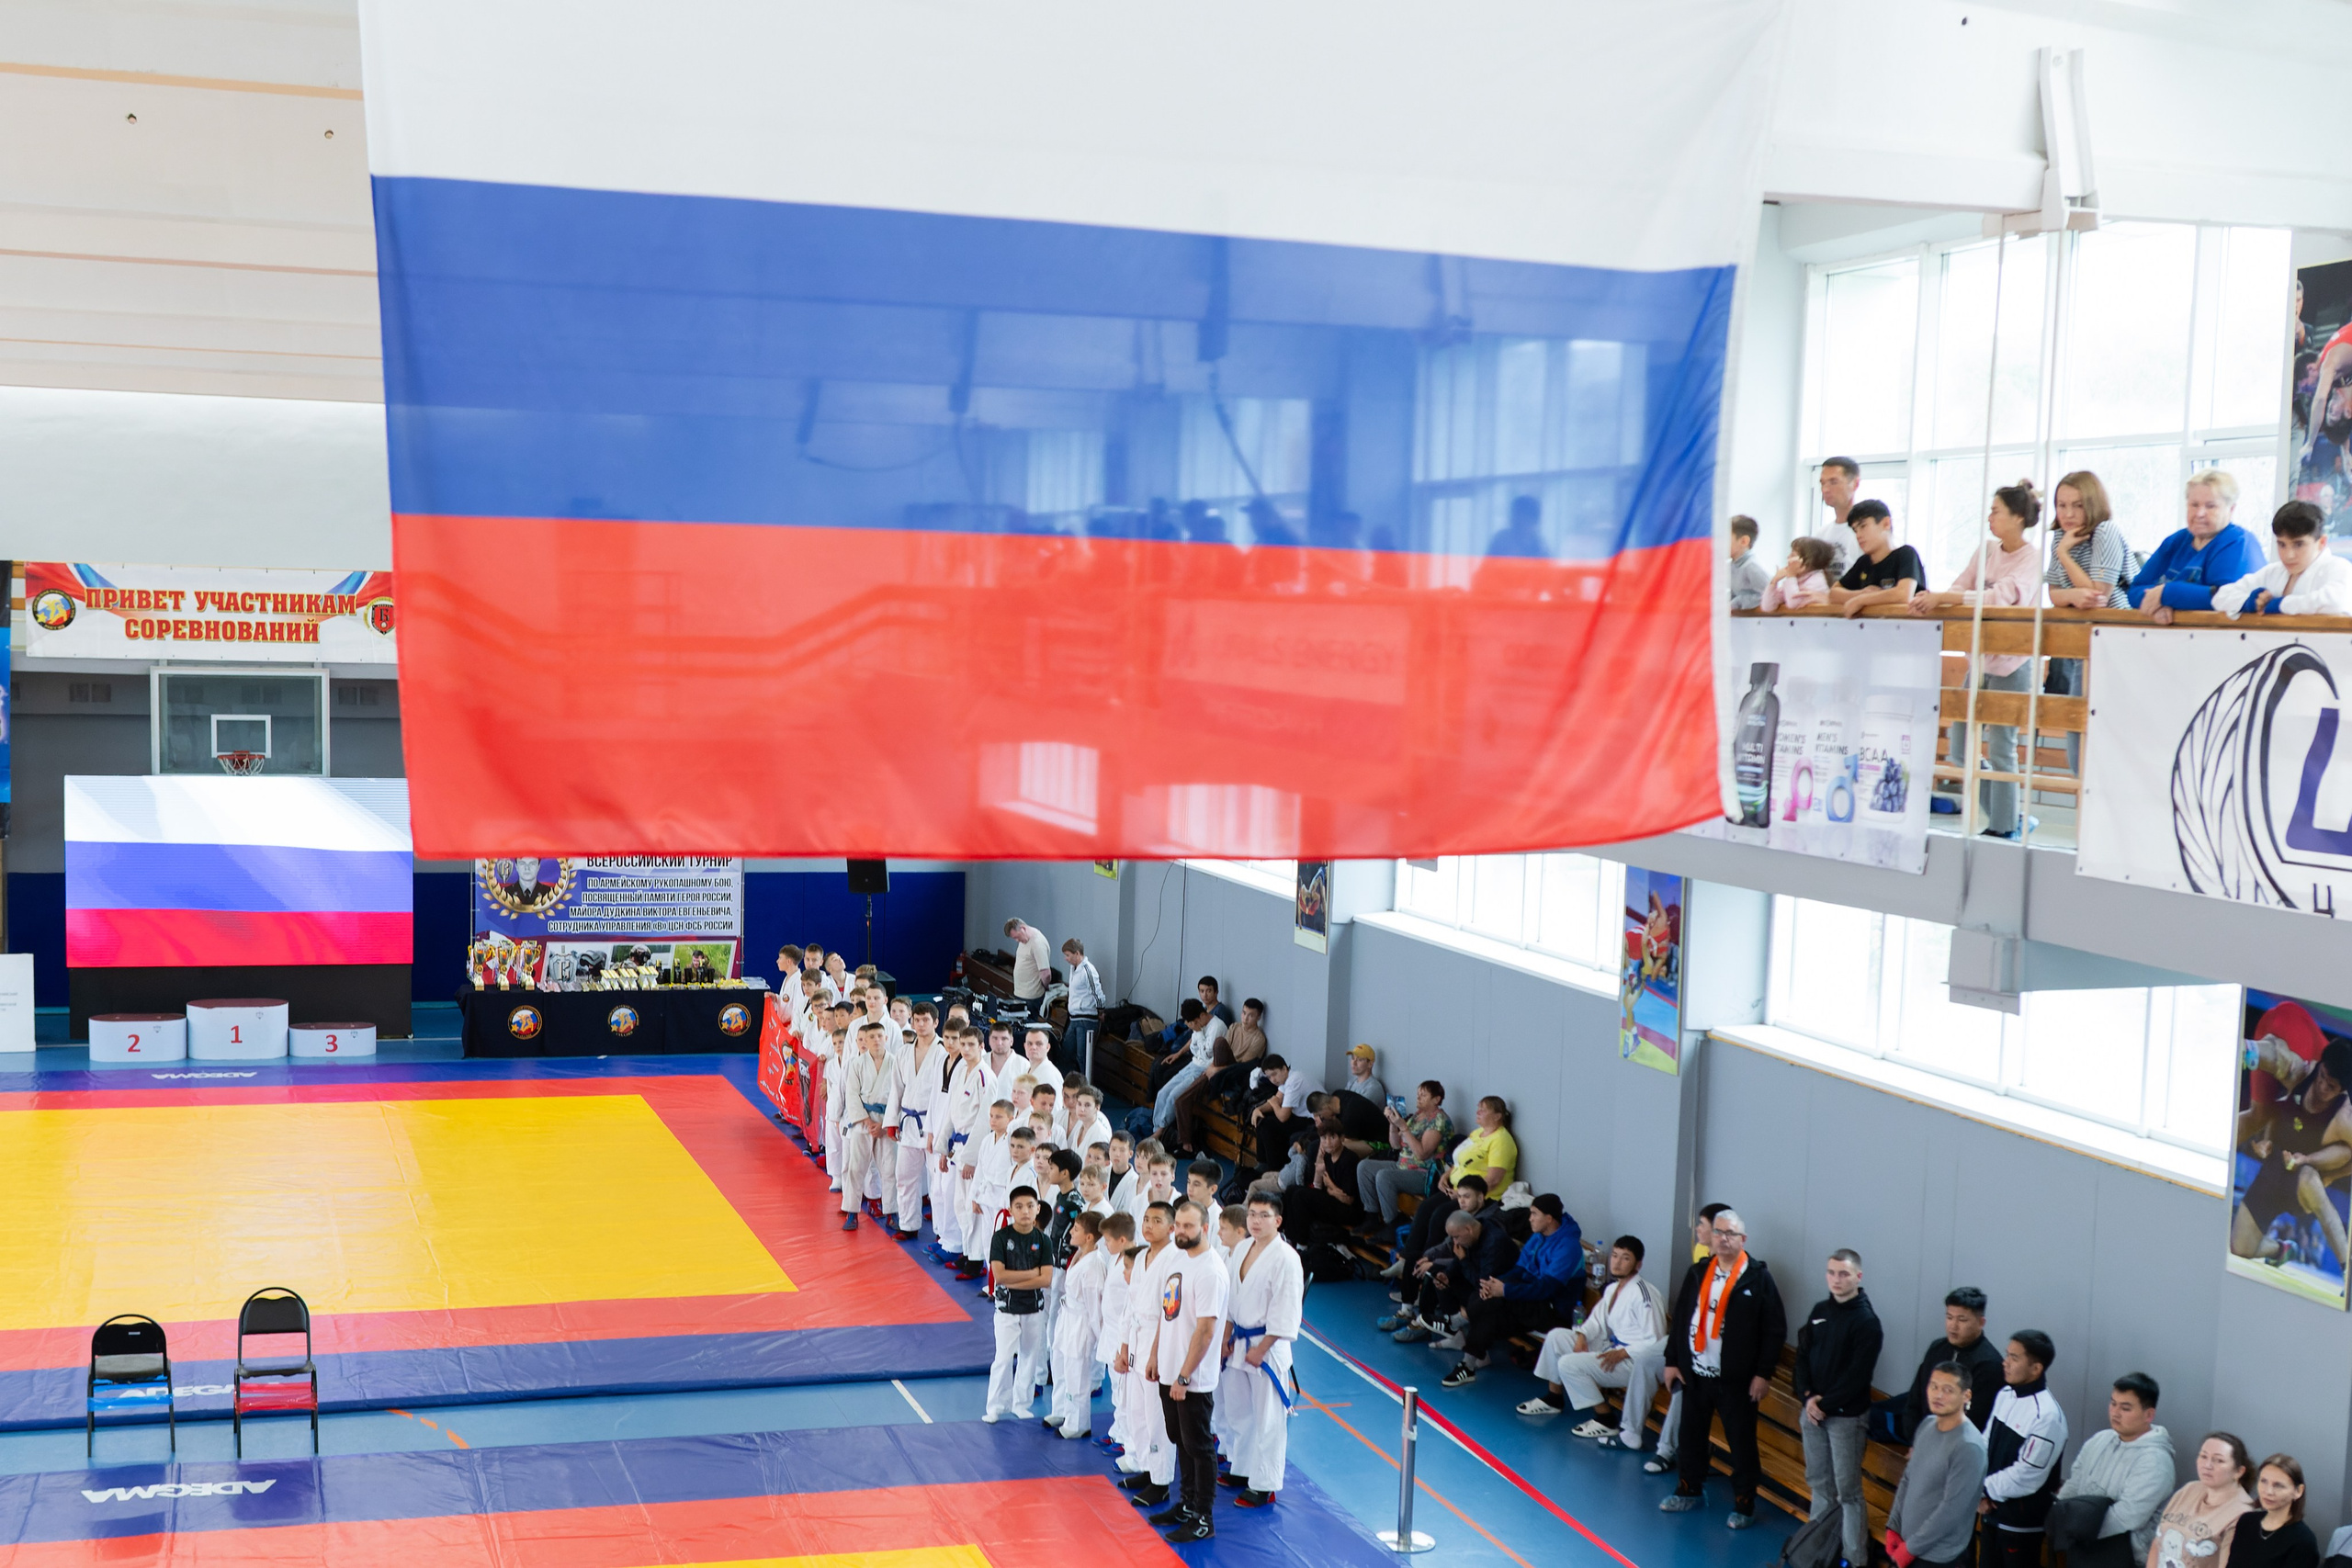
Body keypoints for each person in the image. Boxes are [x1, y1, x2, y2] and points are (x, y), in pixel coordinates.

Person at [1910, 479, 2048, 839]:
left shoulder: (2033, 557)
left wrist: (1951, 597)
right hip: (1980, 662)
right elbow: (1960, 586)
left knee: (2002, 749)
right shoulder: (1986, 550)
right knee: (1961, 749)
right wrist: (1942, 598)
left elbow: (2003, 596)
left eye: (1996, 511)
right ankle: (2012, 813)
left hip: (2014, 664)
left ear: (2018, 518)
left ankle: (2004, 826)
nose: (1989, 517)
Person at [1658, 1208, 1786, 1530]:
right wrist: (1672, 1361)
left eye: (1731, 1234)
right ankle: (1689, 1489)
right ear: (1711, 1237)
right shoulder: (1698, 1272)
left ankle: (1744, 1503)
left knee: (1741, 1444)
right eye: (1718, 1232)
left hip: (1736, 1381)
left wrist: (1763, 1374)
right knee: (1690, 1436)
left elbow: (1774, 1330)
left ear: (1743, 1239)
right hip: (1695, 1374)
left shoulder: (1757, 1278)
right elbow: (1682, 1318)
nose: (1724, 1239)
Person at [1519, 1235, 1668, 1450]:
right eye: (1614, 1256)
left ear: (1638, 1264)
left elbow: (1656, 1342)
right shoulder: (1613, 1289)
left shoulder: (1645, 1294)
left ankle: (1605, 1419)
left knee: (1568, 1364)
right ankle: (1554, 1398)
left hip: (1635, 1362)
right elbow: (1596, 1321)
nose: (1617, 1262)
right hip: (1613, 1349)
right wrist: (1582, 1335)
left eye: (1625, 1258)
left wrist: (1623, 1353)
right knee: (1556, 1337)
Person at [2231, 1034, 2352, 1277]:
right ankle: (2282, 1250)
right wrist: (2267, 1141)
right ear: (2320, 1066)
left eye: (2331, 1087)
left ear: (2342, 1090)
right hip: (2274, 1170)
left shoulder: (2344, 1118)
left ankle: (2347, 1270)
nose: (2322, 1087)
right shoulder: (2303, 1073)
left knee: (2310, 1180)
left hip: (2303, 1183)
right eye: (2322, 1076)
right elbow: (2278, 1056)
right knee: (2239, 1248)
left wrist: (2329, 1177)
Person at [1146, 1199, 1229, 1544]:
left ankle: (1203, 1517)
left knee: (1199, 1445)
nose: (1181, 1232)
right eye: (1178, 1225)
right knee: (1179, 1439)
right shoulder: (1178, 1258)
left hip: (1191, 1378)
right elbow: (1168, 1312)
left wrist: (1183, 1376)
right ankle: (1186, 1503)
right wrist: (1155, 1355)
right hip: (1169, 1368)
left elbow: (1206, 1331)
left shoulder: (1210, 1270)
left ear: (1205, 1228)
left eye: (1188, 1226)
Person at [1793, 1248, 1883, 1568]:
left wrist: (1824, 1404)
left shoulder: (1867, 1322)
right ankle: (1816, 1552)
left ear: (1858, 1277)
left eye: (1844, 1274)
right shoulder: (1820, 1311)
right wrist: (1807, 1398)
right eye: (1831, 1272)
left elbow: (1857, 1377)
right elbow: (1802, 1357)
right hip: (1813, 1414)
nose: (1836, 1279)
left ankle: (1854, 1559)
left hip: (1846, 1419)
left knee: (1848, 1493)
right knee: (1819, 1484)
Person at [1442, 1193, 1583, 1387]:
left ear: (1549, 1218)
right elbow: (1520, 1269)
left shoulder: (1568, 1247)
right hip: (1532, 1298)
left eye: (1534, 1214)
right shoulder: (1539, 1237)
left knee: (1490, 1305)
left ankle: (1457, 1329)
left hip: (1553, 1310)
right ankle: (1468, 1363)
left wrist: (1505, 1290)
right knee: (1487, 1300)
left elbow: (1547, 1289)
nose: (1530, 1218)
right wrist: (1495, 1284)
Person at [1221, 1191, 1304, 1508]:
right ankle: (1242, 1468)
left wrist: (1263, 1348)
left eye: (1264, 1215)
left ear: (1277, 1221)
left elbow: (1287, 1312)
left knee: (1268, 1418)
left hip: (1267, 1348)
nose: (1256, 1221)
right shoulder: (1243, 1248)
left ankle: (1265, 1484)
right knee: (1239, 1412)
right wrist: (1226, 1337)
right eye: (1252, 1214)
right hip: (1239, 1343)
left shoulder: (1286, 1258)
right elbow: (1231, 1299)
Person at [1645, 1204, 1734, 1476]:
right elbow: (1684, 1311)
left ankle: (1666, 1450)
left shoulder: (1739, 1272)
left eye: (1702, 1225)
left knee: (1684, 1388)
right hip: (1689, 1339)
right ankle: (1629, 1431)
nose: (1697, 1229)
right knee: (1645, 1361)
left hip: (1712, 1354)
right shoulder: (1699, 1259)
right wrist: (1675, 1357)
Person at [2056, 1373, 2176, 1568]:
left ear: (2149, 1415)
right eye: (2113, 1404)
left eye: (2125, 1408)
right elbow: (2074, 1484)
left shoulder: (2156, 1460)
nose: (2115, 1412)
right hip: (2081, 1543)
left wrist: (2078, 1529)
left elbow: (2128, 1516)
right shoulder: (2099, 1439)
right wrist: (2060, 1518)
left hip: (2122, 1555)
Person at [1886, 1363, 1991, 1568]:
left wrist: (1910, 1549)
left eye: (1948, 1390)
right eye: (1934, 1386)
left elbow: (1951, 1510)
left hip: (1937, 1557)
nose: (1938, 1395)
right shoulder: (1927, 1424)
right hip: (1907, 1543)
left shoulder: (1969, 1446)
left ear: (1966, 1396)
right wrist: (1893, 1526)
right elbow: (1908, 1479)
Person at [1391, 1096, 1517, 1266]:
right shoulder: (1477, 1133)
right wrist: (1446, 1175)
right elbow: (1462, 1162)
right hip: (1457, 1189)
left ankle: (1426, 1262)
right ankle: (1407, 1258)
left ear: (1497, 1116)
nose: (1478, 1112)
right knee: (1425, 1208)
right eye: (1478, 1108)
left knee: (1439, 1216)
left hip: (1481, 1198)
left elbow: (1493, 1180)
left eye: (1483, 1110)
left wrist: (1461, 1194)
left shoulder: (1501, 1140)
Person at [1980, 1329, 2069, 1568]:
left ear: (2036, 1368)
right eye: (2007, 1355)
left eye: (2014, 1358)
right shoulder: (2005, 1394)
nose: (2005, 1362)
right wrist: (1981, 1492)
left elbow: (2026, 1476)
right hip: (1990, 1513)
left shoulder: (2047, 1417)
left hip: (2020, 1525)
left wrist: (1984, 1490)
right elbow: (1984, 1444)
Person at [1874, 1286, 2004, 1443]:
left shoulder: (1989, 1364)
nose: (1953, 1326)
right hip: (1922, 1435)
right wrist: (1916, 1440)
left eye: (1962, 1320)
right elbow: (1916, 1397)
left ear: (1981, 1322)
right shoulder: (1938, 1348)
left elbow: (1974, 1420)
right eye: (1949, 1317)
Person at [2130, 470, 2264, 620]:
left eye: (2210, 506)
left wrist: (2166, 594)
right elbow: (2135, 590)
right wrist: (2158, 605)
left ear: (2231, 509)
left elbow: (2224, 598)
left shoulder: (2239, 542)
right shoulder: (2176, 541)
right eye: (2194, 505)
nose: (2200, 513)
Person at [1115, 1204, 1177, 1500]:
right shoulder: (1140, 1257)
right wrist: (1123, 1347)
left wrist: (1155, 1355)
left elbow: (1169, 1313)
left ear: (1172, 1228)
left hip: (1158, 1341)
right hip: (1137, 1339)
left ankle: (1161, 1481)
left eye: (1157, 1221)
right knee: (1137, 1413)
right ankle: (1146, 1467)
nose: (1149, 1225)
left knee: (1157, 1418)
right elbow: (1130, 1306)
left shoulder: (1174, 1260)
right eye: (1146, 1220)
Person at [1391, 1209, 1513, 1345]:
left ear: (1468, 1229)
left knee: (1476, 1295)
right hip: (1478, 1281)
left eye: (1456, 1237)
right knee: (1439, 1276)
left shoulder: (1494, 1243)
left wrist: (1463, 1260)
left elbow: (1482, 1285)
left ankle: (1453, 1325)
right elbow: (1460, 1260)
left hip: (1497, 1296)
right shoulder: (1474, 1232)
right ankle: (1454, 1333)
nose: (1455, 1242)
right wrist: (1447, 1275)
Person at [983, 1187, 1053, 1423]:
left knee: (1029, 1357)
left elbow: (1046, 1280)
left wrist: (1019, 1279)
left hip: (1034, 1308)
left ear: (1038, 1209)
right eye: (1019, 1207)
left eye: (1030, 1206)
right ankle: (996, 1406)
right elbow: (1000, 1276)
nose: (1025, 1211)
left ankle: (1021, 1404)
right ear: (1011, 1210)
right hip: (1007, 1308)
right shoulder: (1001, 1238)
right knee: (1003, 1358)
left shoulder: (1043, 1240)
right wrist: (1032, 1274)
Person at [2219, 501, 2352, 618]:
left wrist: (2280, 604)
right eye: (2282, 544)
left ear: (2322, 542)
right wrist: (2250, 602)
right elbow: (2221, 597)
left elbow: (2336, 602)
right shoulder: (2273, 572)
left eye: (2298, 544)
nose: (2289, 555)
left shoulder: (2339, 567)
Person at [1354, 1079, 1453, 1231]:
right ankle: (1371, 1215)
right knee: (1364, 1167)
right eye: (1418, 1094)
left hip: (1424, 1173)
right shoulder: (1417, 1117)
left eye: (1423, 1095)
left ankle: (1391, 1224)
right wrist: (1393, 1125)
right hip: (1403, 1165)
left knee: (1384, 1176)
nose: (1418, 1097)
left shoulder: (1439, 1120)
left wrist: (1404, 1128)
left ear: (1436, 1099)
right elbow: (1395, 1146)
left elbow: (1422, 1154)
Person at [2147, 1434, 2256, 1568]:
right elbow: (2158, 1542)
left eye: (2219, 1460)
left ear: (2239, 1471)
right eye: (2203, 1456)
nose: (2207, 1465)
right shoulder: (2189, 1489)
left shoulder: (2243, 1514)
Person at [1046, 1211, 1107, 1439]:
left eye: (1076, 1229)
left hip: (1081, 1322)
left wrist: (1099, 1337)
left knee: (1077, 1373)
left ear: (1089, 1237)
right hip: (1067, 1317)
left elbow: (1094, 1305)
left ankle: (1078, 1423)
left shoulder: (1094, 1264)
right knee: (1060, 1365)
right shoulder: (1080, 1254)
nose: (1071, 1232)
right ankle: (1061, 1410)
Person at [838, 1021, 900, 1232]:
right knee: (856, 1168)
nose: (875, 1040)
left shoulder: (895, 1063)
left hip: (886, 1122)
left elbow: (899, 1095)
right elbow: (852, 1095)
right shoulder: (857, 1064)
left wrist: (885, 1124)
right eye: (871, 1037)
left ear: (886, 1038)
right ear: (864, 1040)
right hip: (863, 1121)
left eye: (879, 1036)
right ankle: (851, 1212)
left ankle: (892, 1213)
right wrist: (867, 1121)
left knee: (890, 1169)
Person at [2046, 469, 2134, 610]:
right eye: (2062, 505)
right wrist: (2072, 595)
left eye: (2078, 506)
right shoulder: (2060, 536)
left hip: (2117, 617)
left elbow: (2098, 598)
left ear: (2093, 506)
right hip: (2079, 619)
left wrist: (2063, 554)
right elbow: (2053, 593)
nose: (2068, 514)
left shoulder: (2105, 530)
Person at [1830, 499, 1923, 617]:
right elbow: (1833, 594)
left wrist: (1862, 600)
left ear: (1886, 523)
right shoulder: (1863, 562)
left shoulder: (1906, 554)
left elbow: (1903, 594)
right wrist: (1861, 593)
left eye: (1863, 526)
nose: (1858, 535)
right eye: (1855, 530)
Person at [1152, 1000, 1222, 1148]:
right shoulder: (1198, 1025)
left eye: (1192, 1023)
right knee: (1163, 1093)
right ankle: (1156, 1129)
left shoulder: (1216, 1027)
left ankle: (1161, 1131)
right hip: (1193, 1064)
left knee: (1174, 1096)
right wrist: (1178, 1053)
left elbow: (1207, 1053)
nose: (1191, 1026)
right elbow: (1193, 1046)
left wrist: (1198, 1032)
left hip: (1204, 1069)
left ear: (1201, 1016)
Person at [1281, 1118, 1362, 1240]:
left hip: (1349, 1211)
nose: (1328, 1142)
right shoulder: (1327, 1156)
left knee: (1301, 1196)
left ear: (1342, 1138)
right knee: (1291, 1190)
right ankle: (1289, 1237)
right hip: (1334, 1201)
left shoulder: (1349, 1159)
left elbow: (1348, 1199)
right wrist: (1319, 1159)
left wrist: (1330, 1187)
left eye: (1332, 1137)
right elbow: (1317, 1185)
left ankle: (1302, 1243)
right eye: (1324, 1138)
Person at [2235, 1455, 2319, 1568]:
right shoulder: (2246, 1521)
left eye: (2278, 1485)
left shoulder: (2303, 1540)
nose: (2268, 1491)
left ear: (2298, 1491)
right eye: (2263, 1481)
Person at [1246, 1055, 1322, 1172]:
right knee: (1262, 1119)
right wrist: (1258, 1109)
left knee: (1267, 1125)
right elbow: (1277, 1099)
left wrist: (1274, 1104)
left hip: (1313, 1121)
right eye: (1269, 1077)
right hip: (1300, 1116)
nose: (1273, 1079)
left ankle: (1274, 1168)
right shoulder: (1286, 1078)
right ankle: (1263, 1162)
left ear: (1284, 1069)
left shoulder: (1294, 1081)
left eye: (1274, 1074)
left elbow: (1282, 1117)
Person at [1758, 536, 1838, 611]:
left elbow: (1794, 603)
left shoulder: (1817, 580)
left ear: (1807, 562)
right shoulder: (1795, 580)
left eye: (1793, 555)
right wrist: (1774, 582)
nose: (1788, 557)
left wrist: (1791, 576)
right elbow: (1767, 607)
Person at [1061, 938, 1105, 1074]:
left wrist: (1101, 1011)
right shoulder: (1073, 969)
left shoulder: (1088, 970)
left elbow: (1097, 993)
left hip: (1086, 1019)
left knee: (1083, 1057)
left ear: (1077, 953)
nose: (1066, 959)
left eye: (1068, 955)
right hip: (1074, 1018)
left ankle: (1085, 1083)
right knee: (1067, 1052)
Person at [1812, 457, 1860, 575]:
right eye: (1822, 483)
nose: (1825, 489)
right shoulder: (1821, 534)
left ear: (1855, 484)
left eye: (1833, 482)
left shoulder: (1864, 533)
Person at [1002, 918, 1056, 1001]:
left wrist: (1045, 987)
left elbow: (1046, 973)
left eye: (1017, 937)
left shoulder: (1038, 944)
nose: (1017, 940)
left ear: (1023, 928)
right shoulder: (1024, 938)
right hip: (1020, 993)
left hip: (1031, 996)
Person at [1727, 515, 1770, 610]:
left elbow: (1766, 596)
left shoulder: (1753, 567)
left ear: (1744, 541)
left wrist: (1735, 604)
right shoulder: (1732, 565)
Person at [1341, 1043, 1387, 1108]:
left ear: (1370, 1064)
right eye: (1353, 1058)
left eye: (1359, 1060)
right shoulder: (1351, 1083)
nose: (1354, 1063)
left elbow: (1356, 1111)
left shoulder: (1373, 1088)